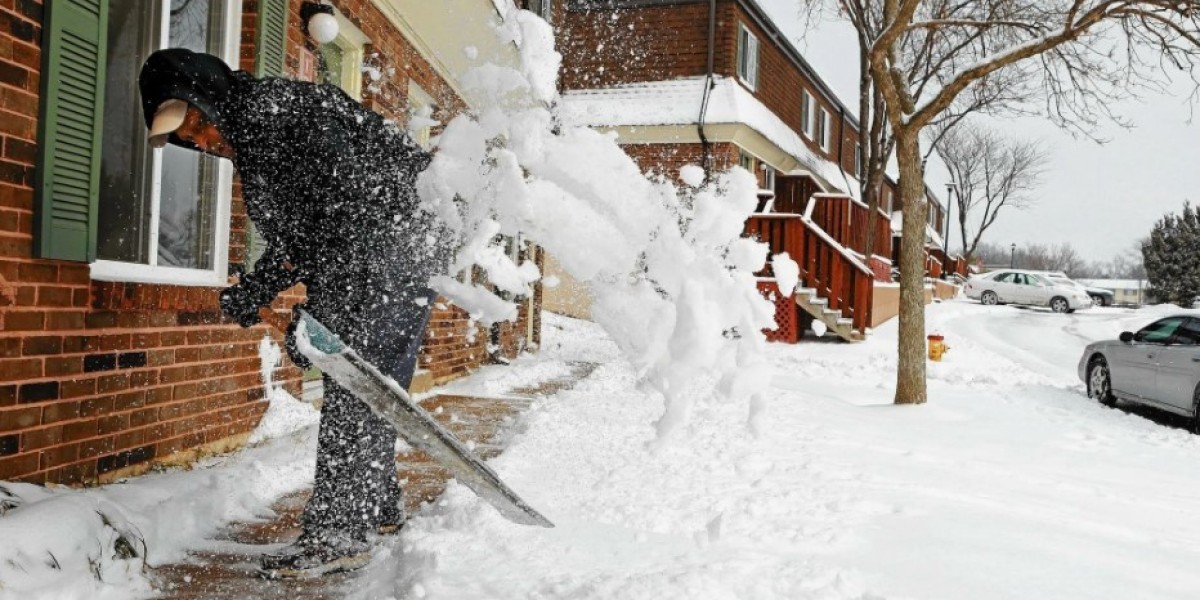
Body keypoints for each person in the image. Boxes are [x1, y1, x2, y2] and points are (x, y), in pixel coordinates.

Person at [139, 48, 449, 578]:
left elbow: (351, 212)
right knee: (367, 384)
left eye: (195, 123)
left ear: (208, 98)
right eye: (188, 139)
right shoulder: (257, 136)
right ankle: (375, 506)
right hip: (395, 240)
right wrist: (257, 287)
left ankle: (338, 535)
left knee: (355, 379)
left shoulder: (282, 116)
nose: (199, 140)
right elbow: (301, 238)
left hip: (402, 235)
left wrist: (322, 308)